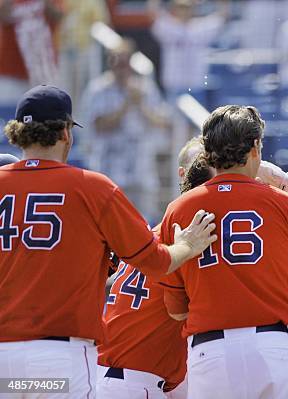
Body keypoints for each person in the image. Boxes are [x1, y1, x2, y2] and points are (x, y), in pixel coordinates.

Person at [0, 85, 216, 395]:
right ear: (65, 133)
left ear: (17, 133)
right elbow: (156, 263)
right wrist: (187, 245)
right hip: (56, 358)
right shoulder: (92, 188)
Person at [158, 105, 288, 398]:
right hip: (271, 348)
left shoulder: (179, 209)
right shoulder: (286, 204)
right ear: (255, 146)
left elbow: (176, 309)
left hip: (210, 350)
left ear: (208, 151)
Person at [96, 138, 214, 399]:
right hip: (135, 381)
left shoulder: (155, 234)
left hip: (128, 378)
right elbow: (180, 313)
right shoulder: (188, 239)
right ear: (185, 174)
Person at [81, 39, 172, 221]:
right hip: (109, 169)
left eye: (125, 61)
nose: (121, 66)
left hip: (142, 169)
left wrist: (142, 105)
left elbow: (163, 122)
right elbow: (98, 124)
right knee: (110, 221)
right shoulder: (98, 89)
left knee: (144, 221)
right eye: (116, 61)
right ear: (109, 62)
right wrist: (126, 105)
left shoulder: (145, 88)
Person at [149, 0, 229, 103]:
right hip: (174, 85)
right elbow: (152, 14)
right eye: (181, 7)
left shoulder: (201, 27)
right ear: (175, 9)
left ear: (193, 9)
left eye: (187, 7)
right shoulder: (168, 26)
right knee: (174, 118)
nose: (184, 11)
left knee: (198, 118)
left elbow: (223, 17)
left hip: (196, 86)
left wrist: (223, 3)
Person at [0, 0, 63, 104]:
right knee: (8, 114)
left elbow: (58, 15)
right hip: (10, 73)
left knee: (46, 115)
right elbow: (3, 14)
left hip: (44, 74)